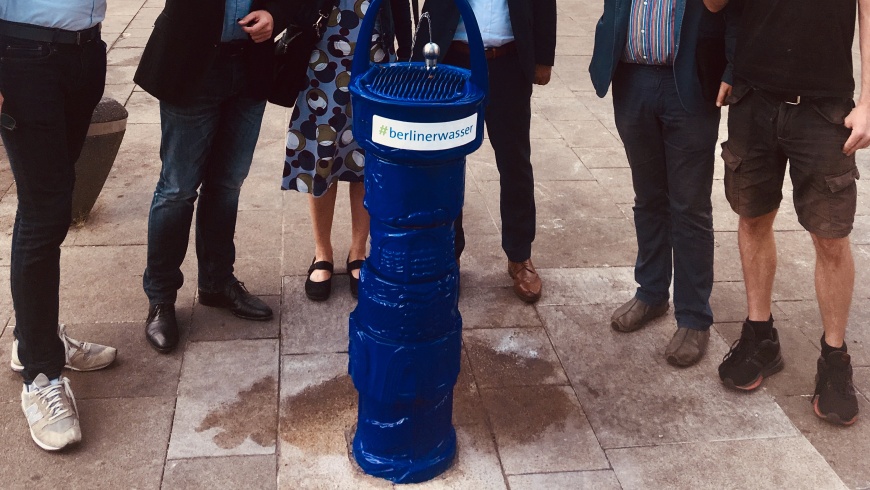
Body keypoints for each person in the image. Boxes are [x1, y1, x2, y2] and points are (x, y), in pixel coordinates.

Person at [714, 0, 869, 426]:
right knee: (753, 217)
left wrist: (869, 101)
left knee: (831, 237)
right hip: (753, 96)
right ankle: (760, 337)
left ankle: (835, 359)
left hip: (824, 107)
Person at [135, 0, 293, 352]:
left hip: (251, 64)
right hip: (192, 64)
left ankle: (216, 281)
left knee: (227, 184)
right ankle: (161, 298)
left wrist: (275, 16)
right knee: (177, 189)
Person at [0, 1, 118, 451]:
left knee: (51, 203)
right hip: (22, 55)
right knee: (44, 209)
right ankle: (40, 374)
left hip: (83, 52)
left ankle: (32, 336)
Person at [589, 0, 731, 367]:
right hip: (631, 77)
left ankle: (693, 316)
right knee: (648, 197)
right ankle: (651, 292)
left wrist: (734, 68)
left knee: (689, 206)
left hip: (690, 80)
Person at [414, 0, 557, 303]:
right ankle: (448, 256)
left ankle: (520, 255)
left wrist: (544, 57)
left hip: (508, 62)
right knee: (445, 163)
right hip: (452, 61)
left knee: (515, 162)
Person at [282, 1, 402, 302]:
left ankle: (358, 252)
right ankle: (322, 252)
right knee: (323, 154)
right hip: (322, 52)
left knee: (368, 154)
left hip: (375, 53)